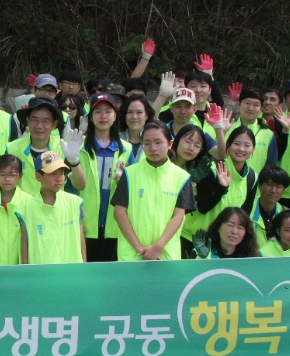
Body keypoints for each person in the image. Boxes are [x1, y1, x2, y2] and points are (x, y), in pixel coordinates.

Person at [112, 121, 195, 261]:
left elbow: (178, 217)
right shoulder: (129, 174)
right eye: (147, 143)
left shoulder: (182, 177)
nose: (153, 148)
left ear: (170, 144)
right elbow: (119, 213)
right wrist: (140, 248)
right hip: (132, 256)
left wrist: (157, 248)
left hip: (165, 256)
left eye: (158, 142)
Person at [76, 93, 134, 262]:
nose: (103, 116)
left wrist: (123, 181)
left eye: (108, 111)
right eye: (98, 112)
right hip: (84, 225)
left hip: (115, 226)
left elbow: (135, 186)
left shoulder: (127, 150)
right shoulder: (78, 148)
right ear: (90, 117)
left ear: (115, 115)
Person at [184, 126, 258, 258]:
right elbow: (203, 207)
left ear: (253, 150)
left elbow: (244, 216)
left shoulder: (252, 177)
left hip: (223, 245)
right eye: (236, 144)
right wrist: (221, 189)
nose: (241, 149)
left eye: (247, 145)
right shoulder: (211, 169)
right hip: (194, 239)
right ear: (227, 146)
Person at [16, 151, 86, 264]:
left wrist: (83, 270)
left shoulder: (75, 203)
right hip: (41, 277)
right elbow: (24, 246)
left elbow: (81, 241)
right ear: (38, 177)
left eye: (62, 173)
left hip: (71, 275)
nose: (59, 178)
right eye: (53, 173)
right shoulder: (26, 210)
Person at [6, 96, 85, 196]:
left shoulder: (63, 149)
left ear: (54, 124)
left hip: (53, 210)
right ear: (27, 121)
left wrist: (74, 161)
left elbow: (80, 185)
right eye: (34, 119)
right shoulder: (12, 148)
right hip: (22, 210)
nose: (39, 126)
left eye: (45, 121)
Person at [229, 87, 278, 173]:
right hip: (227, 183)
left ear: (261, 109)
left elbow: (271, 166)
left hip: (255, 185)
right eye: (247, 103)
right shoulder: (227, 129)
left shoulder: (268, 134)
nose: (250, 108)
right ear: (239, 104)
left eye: (256, 105)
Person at [248, 166, 290, 249]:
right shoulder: (246, 209)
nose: (273, 190)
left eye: (279, 186)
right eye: (269, 184)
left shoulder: (285, 213)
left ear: (284, 190)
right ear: (259, 185)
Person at [191, 207, 259, 258]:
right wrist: (201, 258)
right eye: (230, 225)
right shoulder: (200, 251)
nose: (234, 232)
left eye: (240, 228)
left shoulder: (250, 258)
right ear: (218, 227)